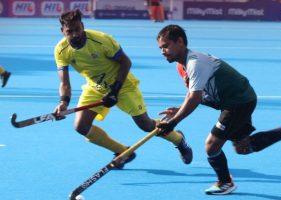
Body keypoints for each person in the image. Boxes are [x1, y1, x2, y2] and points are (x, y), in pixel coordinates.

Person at [156, 24, 281, 194]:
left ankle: (225, 182)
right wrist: (179, 110)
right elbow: (193, 94)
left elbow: (195, 98)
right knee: (242, 147)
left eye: (166, 46)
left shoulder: (194, 63)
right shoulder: (181, 66)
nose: (163, 51)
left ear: (180, 41)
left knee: (211, 145)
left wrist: (173, 122)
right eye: (160, 48)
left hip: (238, 101)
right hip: (235, 101)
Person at [53, 10, 193, 169]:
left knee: (145, 125)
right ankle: (123, 152)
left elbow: (125, 62)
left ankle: (178, 139)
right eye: (69, 31)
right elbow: (64, 83)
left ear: (82, 26)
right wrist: (63, 103)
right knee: (81, 126)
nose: (75, 34)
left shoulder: (101, 40)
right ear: (63, 31)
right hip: (96, 87)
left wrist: (114, 90)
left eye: (77, 29)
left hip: (123, 85)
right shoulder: (61, 50)